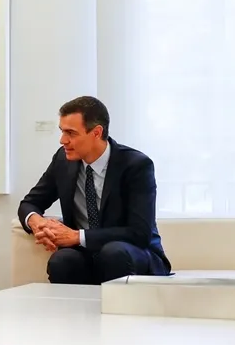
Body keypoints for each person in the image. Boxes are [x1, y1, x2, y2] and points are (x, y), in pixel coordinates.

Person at [17, 96, 171, 284]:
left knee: (113, 253)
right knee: (62, 260)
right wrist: (37, 222)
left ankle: (118, 313)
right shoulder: (63, 160)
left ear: (96, 132)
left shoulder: (136, 165)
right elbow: (30, 203)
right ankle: (71, 314)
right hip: (86, 255)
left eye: (71, 133)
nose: (62, 140)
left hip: (132, 253)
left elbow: (139, 233)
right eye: (62, 131)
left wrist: (76, 236)